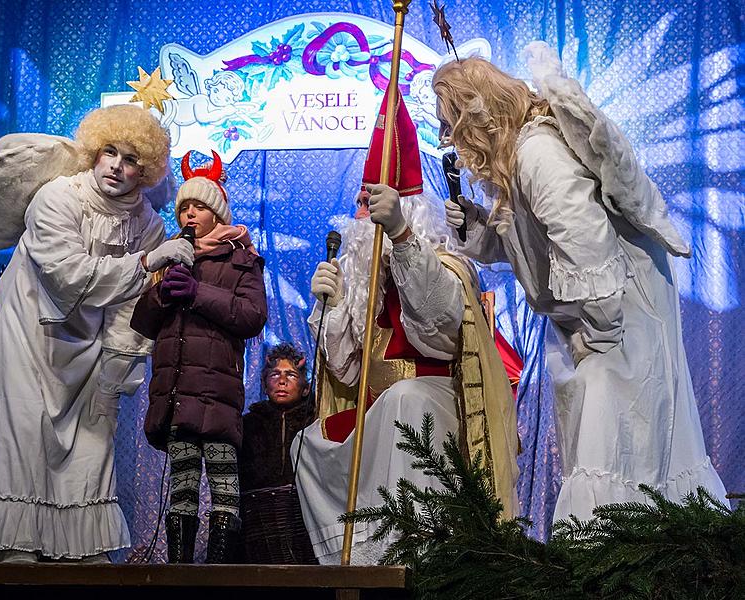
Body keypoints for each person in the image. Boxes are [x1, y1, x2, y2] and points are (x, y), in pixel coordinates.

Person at [432, 48, 728, 524]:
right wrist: (478, 227)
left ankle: (620, 555)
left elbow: (585, 241)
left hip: (617, 314)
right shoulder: (519, 156)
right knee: (623, 445)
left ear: (475, 117)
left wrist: (600, 332)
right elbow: (529, 244)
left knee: (619, 443)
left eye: (451, 124)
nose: (448, 138)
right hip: (596, 315)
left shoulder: (536, 153)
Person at [293, 88, 519, 565]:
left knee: (406, 400)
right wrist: (332, 309)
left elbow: (438, 332)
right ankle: (356, 556)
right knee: (306, 443)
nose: (364, 214)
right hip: (381, 404)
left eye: (373, 201)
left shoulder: (441, 263)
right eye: (360, 203)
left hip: (437, 396)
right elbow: (349, 376)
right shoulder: (361, 284)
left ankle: (417, 551)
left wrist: (400, 235)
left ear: (407, 206)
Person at [0, 104, 195, 563]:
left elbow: (133, 307)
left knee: (92, 434)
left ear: (144, 171)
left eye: (131, 160)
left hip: (89, 341)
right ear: (95, 151)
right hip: (29, 331)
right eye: (109, 152)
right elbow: (66, 276)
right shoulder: (58, 197)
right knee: (22, 432)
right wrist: (147, 262)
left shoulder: (148, 223)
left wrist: (114, 371)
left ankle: (80, 544)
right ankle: (13, 545)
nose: (116, 166)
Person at [130, 150, 268, 564]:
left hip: (217, 392)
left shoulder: (241, 259)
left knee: (224, 482)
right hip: (176, 393)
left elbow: (251, 315)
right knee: (182, 485)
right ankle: (179, 570)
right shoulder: (169, 255)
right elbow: (144, 321)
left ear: (217, 213)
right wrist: (160, 294)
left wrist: (198, 293)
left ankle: (220, 571)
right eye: (184, 207)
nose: (190, 215)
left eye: (200, 207)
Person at [238, 343, 317, 564]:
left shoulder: (315, 422)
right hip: (259, 523)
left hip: (303, 523)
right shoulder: (249, 424)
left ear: (305, 388)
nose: (282, 381)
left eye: (291, 375)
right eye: (275, 375)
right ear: (264, 384)